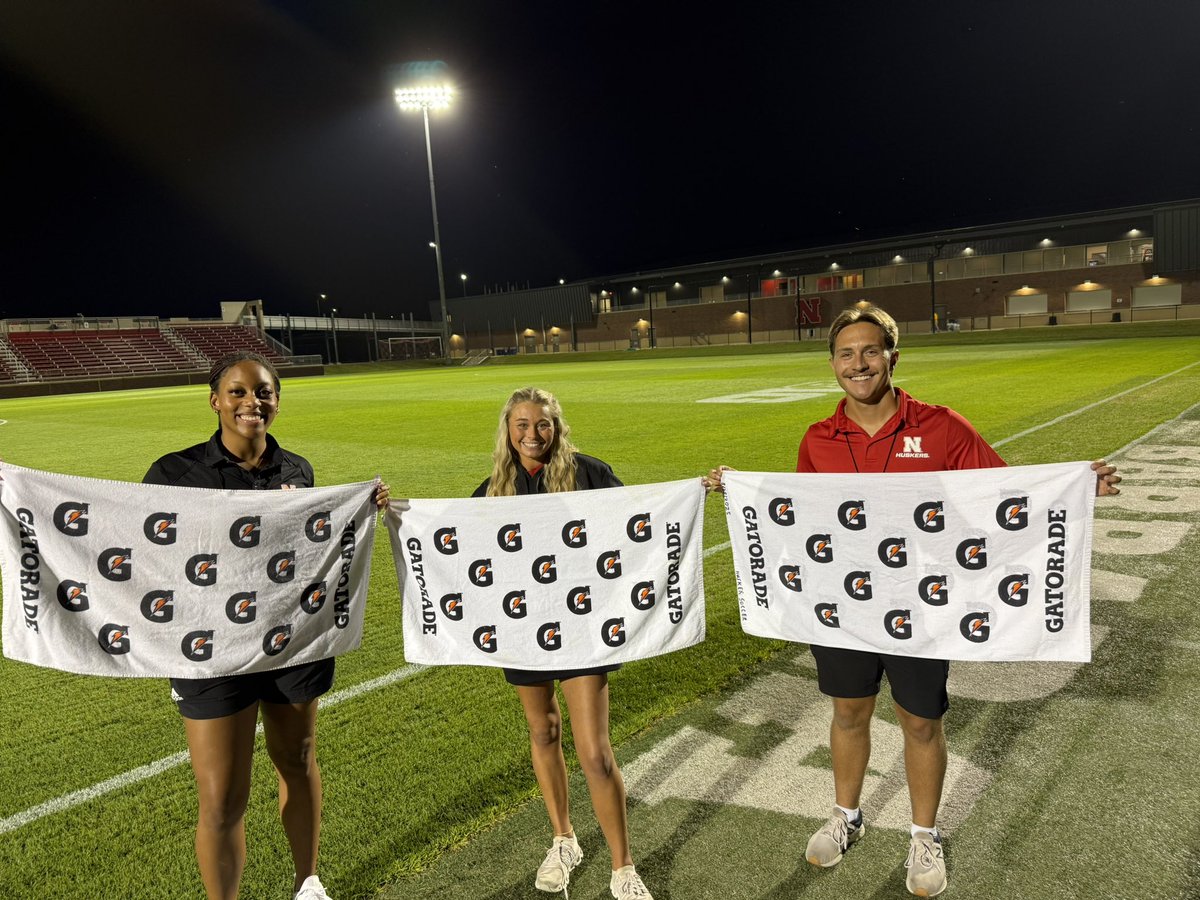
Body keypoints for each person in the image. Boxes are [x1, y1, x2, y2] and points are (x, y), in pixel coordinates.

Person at [703, 304, 1119, 897]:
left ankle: (924, 834)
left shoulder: (942, 426)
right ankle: (847, 815)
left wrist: (1073, 491)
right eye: (846, 354)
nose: (859, 364)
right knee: (848, 712)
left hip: (924, 603)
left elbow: (1004, 492)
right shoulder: (818, 439)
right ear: (832, 364)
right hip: (844, 605)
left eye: (870, 351)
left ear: (892, 357)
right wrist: (739, 490)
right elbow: (799, 517)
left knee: (920, 721)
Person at [143, 351, 389, 900]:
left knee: (298, 761)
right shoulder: (173, 473)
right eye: (238, 391)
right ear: (215, 400)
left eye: (264, 392)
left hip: (291, 639)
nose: (252, 402)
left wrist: (361, 507)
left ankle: (308, 883)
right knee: (223, 796)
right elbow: (147, 550)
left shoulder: (298, 469)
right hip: (211, 648)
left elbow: (311, 544)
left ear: (277, 400)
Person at [473, 386, 653, 900]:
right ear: (508, 430)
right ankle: (564, 839)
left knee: (594, 751)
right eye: (522, 424)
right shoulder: (493, 488)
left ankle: (622, 867)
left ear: (557, 427)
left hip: (582, 627)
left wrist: (692, 493)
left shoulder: (589, 472)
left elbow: (637, 521)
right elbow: (460, 544)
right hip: (523, 627)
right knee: (543, 731)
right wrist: (393, 510)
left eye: (542, 424)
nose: (532, 434)